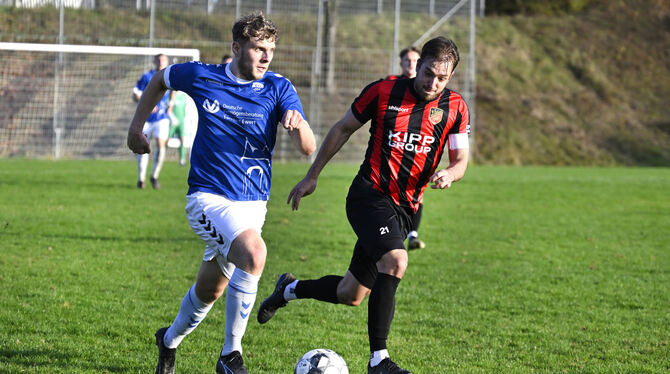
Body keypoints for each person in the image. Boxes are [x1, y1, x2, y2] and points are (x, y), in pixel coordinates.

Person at [257, 36, 470, 374]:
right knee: (396, 260)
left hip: (406, 208)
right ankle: (378, 361)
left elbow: (461, 160)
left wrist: (451, 173)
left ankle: (288, 290)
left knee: (350, 292)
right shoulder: (383, 91)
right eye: (429, 73)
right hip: (369, 196)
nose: (433, 83)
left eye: (442, 78)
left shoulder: (455, 107)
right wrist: (312, 176)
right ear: (419, 65)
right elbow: (342, 129)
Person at [127, 11, 316, 374]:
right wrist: (136, 129)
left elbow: (307, 147)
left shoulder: (278, 87)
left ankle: (167, 340)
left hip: (252, 208)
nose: (266, 57)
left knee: (210, 291)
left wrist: (299, 126)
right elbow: (159, 81)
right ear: (236, 47)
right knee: (255, 254)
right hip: (207, 199)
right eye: (259, 48)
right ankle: (230, 356)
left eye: (271, 49)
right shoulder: (203, 76)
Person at [387, 46, 426, 250]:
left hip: (416, 149)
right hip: (393, 150)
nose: (411, 64)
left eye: (414, 61)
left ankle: (412, 235)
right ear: (401, 64)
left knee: (415, 192)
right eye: (407, 61)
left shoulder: (428, 88)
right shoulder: (392, 84)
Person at [132, 53, 172, 189]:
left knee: (161, 146)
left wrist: (171, 103)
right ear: (155, 61)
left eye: (163, 60)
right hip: (146, 119)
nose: (161, 62)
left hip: (162, 118)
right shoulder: (147, 76)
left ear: (167, 62)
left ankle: (154, 176)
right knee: (143, 147)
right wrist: (146, 103)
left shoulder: (169, 76)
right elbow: (135, 93)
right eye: (159, 59)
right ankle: (141, 179)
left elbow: (175, 90)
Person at [168, 90, 189, 166]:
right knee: (166, 140)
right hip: (172, 122)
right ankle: (161, 156)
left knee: (182, 140)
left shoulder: (183, 96)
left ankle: (182, 159)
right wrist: (172, 118)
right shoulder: (171, 95)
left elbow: (184, 109)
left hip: (181, 122)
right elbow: (168, 109)